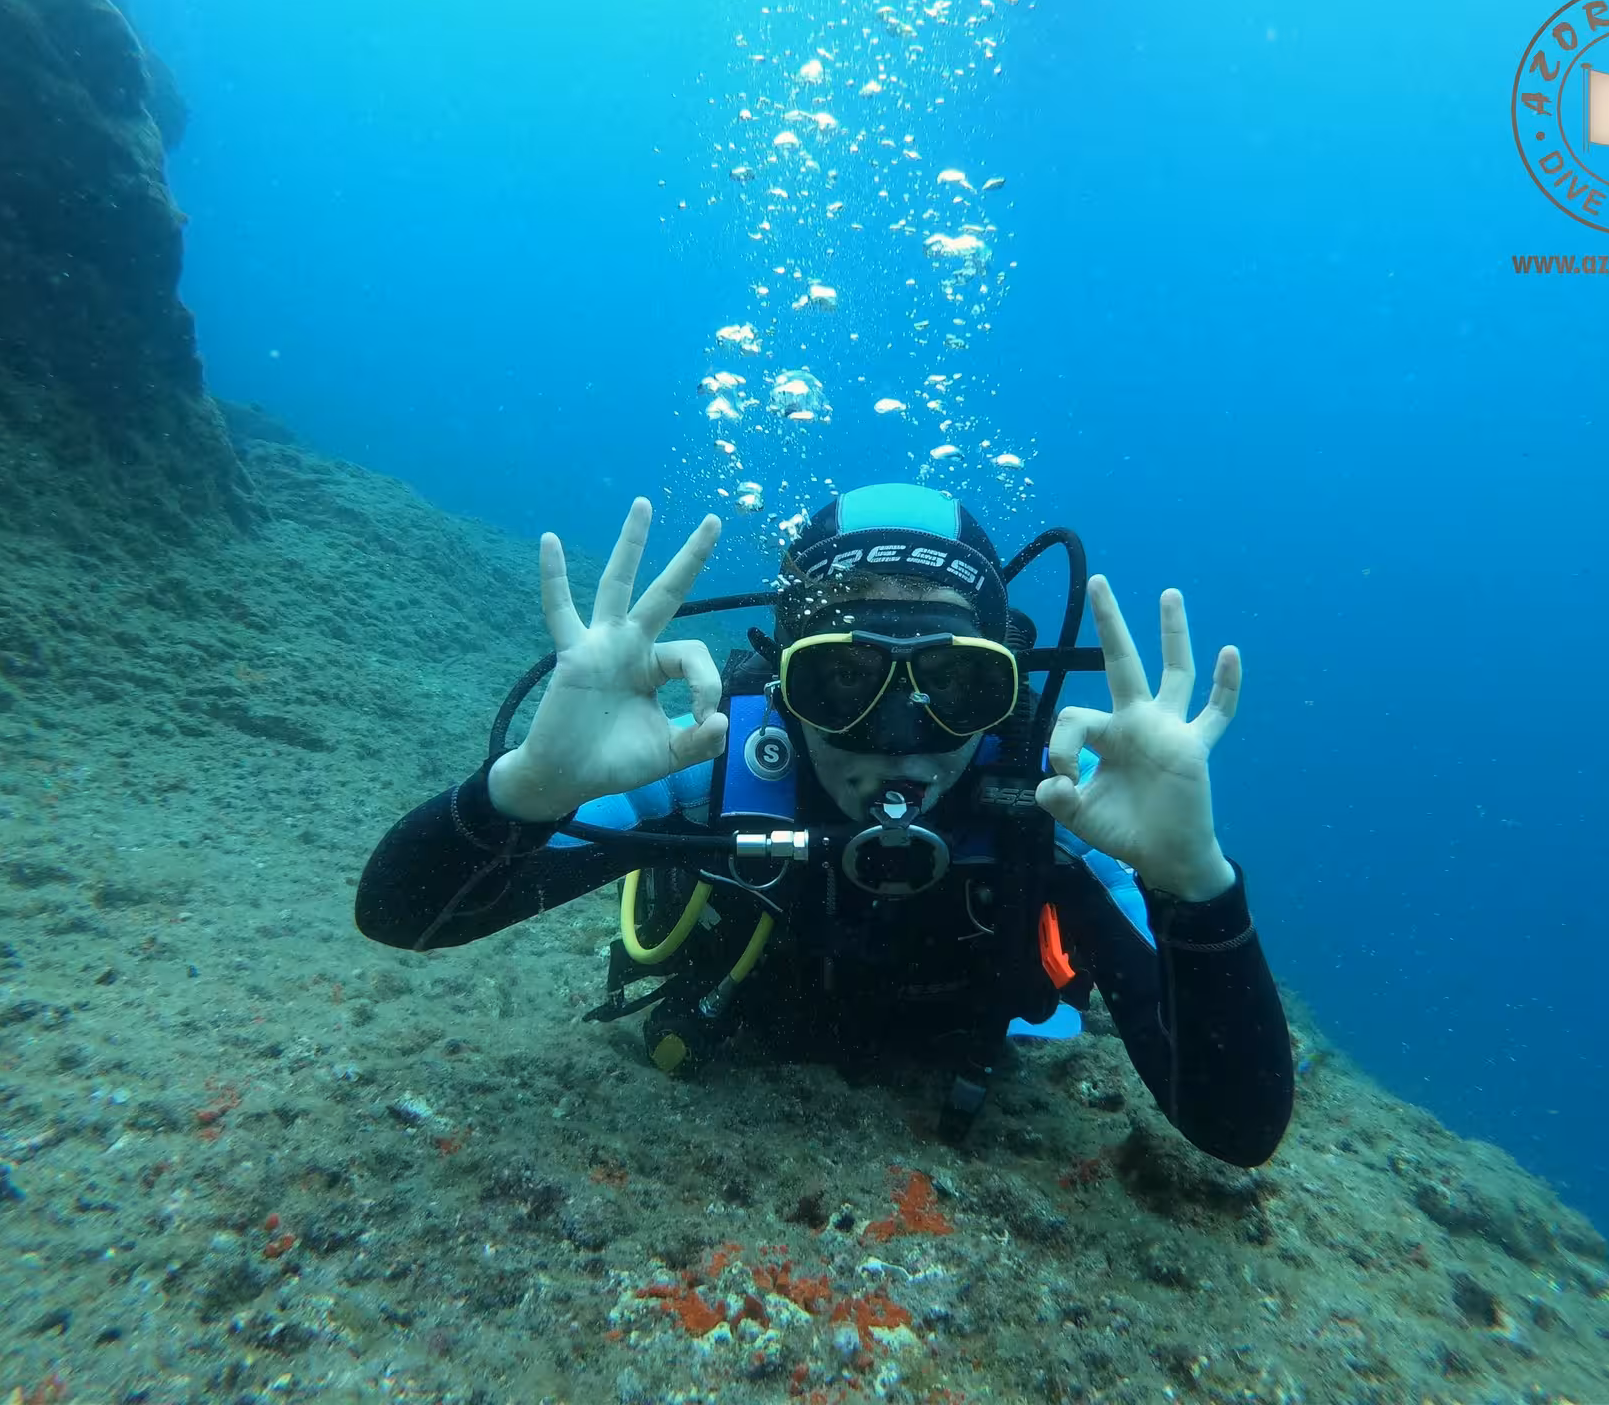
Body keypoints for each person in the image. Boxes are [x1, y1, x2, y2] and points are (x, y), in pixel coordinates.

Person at [356, 484, 1292, 1165]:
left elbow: (1236, 1128)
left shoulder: (1055, 800)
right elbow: (403, 914)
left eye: (953, 684)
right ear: (782, 677)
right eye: (842, 679)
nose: (899, 742)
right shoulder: (717, 761)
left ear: (1002, 685)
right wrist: (528, 787)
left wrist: (1195, 885)